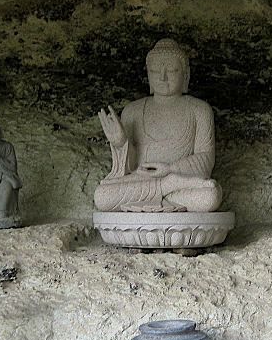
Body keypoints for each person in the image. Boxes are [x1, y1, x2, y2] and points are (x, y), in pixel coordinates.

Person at [95, 39, 222, 213]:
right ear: (148, 75)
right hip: (143, 182)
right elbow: (130, 168)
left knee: (210, 197)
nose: (163, 77)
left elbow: (206, 159)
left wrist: (170, 169)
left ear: (186, 75)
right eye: (155, 71)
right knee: (102, 196)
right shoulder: (132, 111)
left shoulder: (199, 110)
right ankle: (167, 187)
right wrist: (121, 144)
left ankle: (168, 187)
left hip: (182, 182)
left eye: (172, 70)